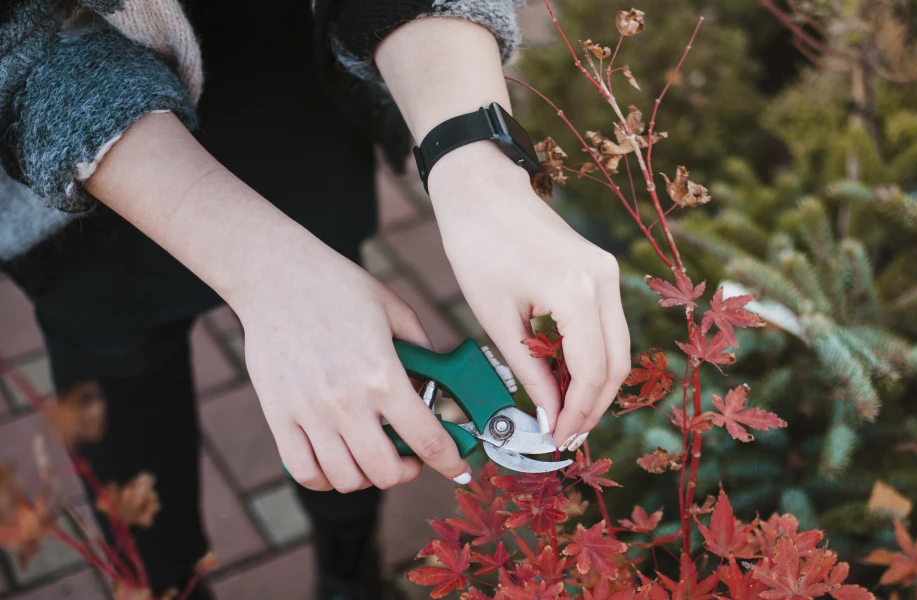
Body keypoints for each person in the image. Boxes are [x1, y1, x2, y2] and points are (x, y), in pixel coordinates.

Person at [0, 0, 631, 597]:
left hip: (294, 99)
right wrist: (261, 265)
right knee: (136, 473)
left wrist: (475, 160)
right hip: (92, 200)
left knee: (358, 401)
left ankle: (349, 574)